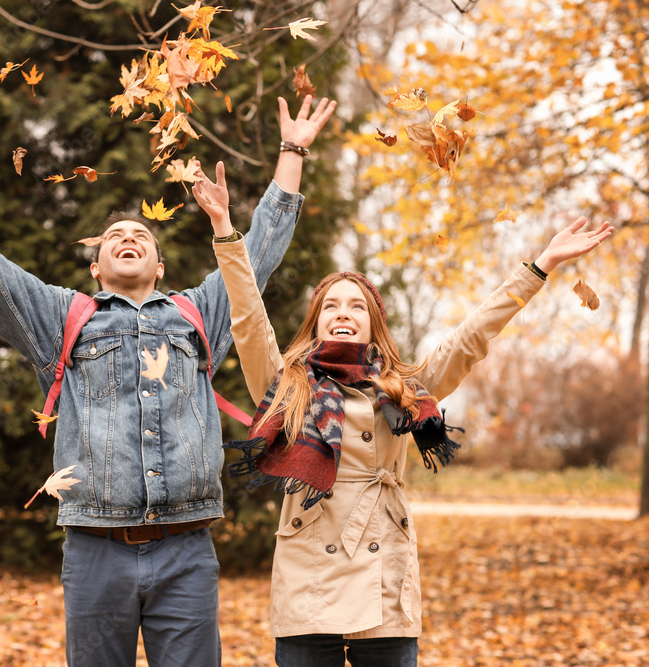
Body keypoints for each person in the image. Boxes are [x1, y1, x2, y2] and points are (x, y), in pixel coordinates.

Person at [0, 95, 337, 666]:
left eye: (141, 234)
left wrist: (293, 150)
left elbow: (257, 253)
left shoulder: (197, 312)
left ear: (160, 264)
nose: (127, 237)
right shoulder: (65, 318)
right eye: (113, 236)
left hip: (187, 549)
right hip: (95, 550)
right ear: (96, 267)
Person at [191, 167, 614, 666]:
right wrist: (223, 228)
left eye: (356, 306)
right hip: (309, 571)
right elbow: (247, 317)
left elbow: (472, 336)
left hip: (383, 570)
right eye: (330, 306)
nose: (342, 312)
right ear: (317, 320)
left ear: (374, 326)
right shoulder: (287, 382)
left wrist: (538, 266)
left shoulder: (405, 388)